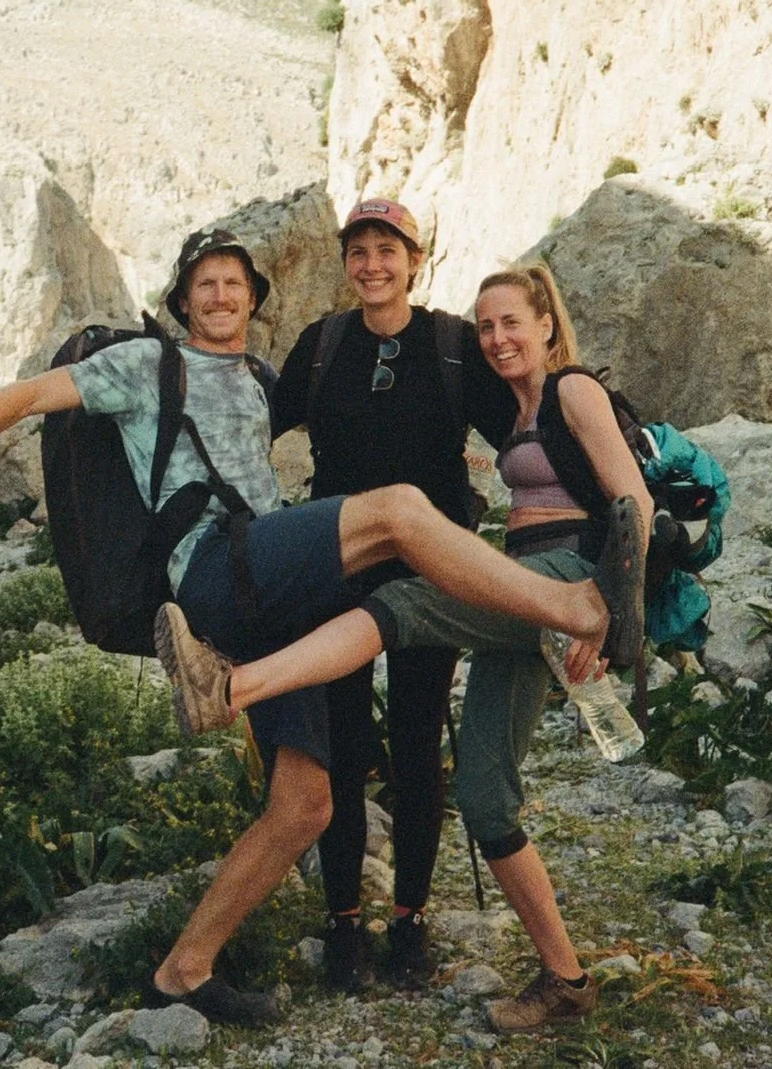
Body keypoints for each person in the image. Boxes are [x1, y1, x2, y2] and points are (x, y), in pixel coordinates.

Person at [0, 230, 637, 1028]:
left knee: (305, 806)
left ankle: (185, 968)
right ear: (183, 301)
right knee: (396, 512)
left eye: (234, 284)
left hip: (268, 593)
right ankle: (571, 610)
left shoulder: (261, 379)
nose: (220, 296)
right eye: (204, 284)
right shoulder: (147, 366)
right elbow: (32, 396)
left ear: (254, 299)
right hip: (216, 564)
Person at [156, 264, 651, 1033]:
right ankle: (566, 979)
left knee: (404, 605)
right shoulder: (513, 404)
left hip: (568, 586)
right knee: (485, 792)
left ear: (549, 324)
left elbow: (633, 505)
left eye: (512, 324)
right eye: (487, 327)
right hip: (528, 594)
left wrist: (615, 618)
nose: (497, 340)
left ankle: (231, 688)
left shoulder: (573, 390)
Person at [268, 198, 515, 992]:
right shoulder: (322, 346)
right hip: (335, 566)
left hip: (430, 571)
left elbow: (521, 430)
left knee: (415, 742)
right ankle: (344, 924)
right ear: (346, 263)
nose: (373, 264)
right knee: (338, 742)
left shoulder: (451, 347)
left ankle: (409, 921)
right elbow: (251, 431)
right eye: (359, 251)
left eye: (387, 249)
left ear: (414, 260)